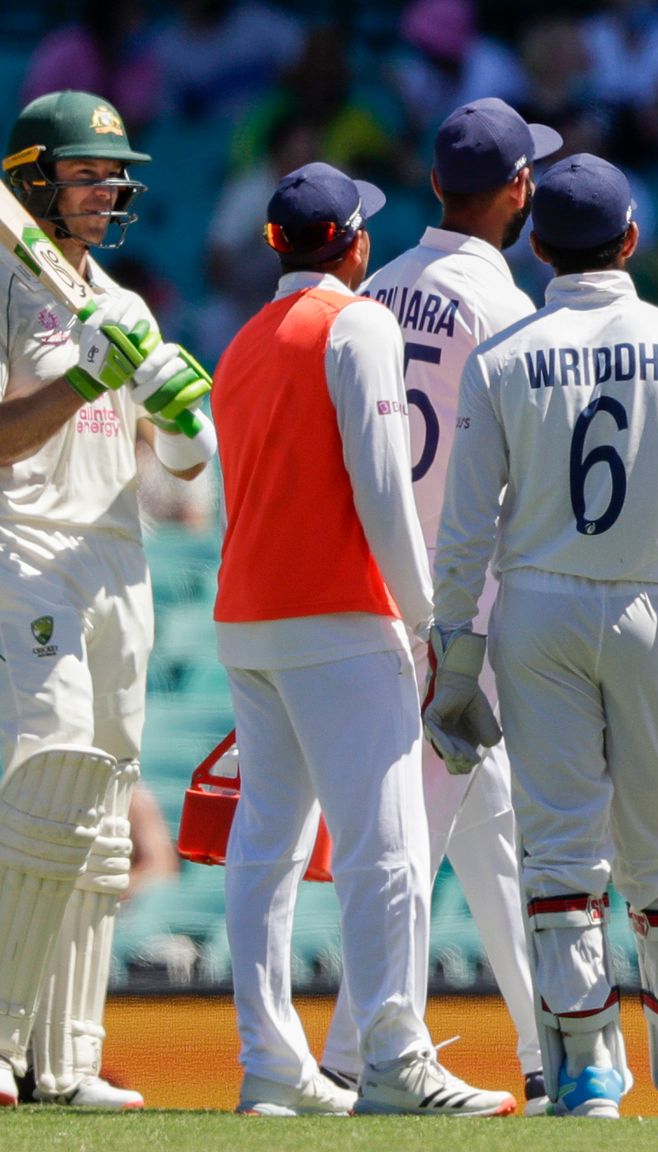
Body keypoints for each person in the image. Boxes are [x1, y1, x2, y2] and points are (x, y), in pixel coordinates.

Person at [430, 153, 658, 1120]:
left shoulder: (501, 359)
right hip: (655, 601)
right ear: (631, 240)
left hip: (535, 606)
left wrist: (457, 657)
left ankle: (583, 1072)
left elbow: (464, 530)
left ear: (537, 246)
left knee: (561, 850)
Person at [213, 161, 512, 1118]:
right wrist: (430, 626)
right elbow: (385, 486)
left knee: (265, 849)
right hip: (341, 616)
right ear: (355, 243)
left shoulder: (241, 343)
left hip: (248, 615)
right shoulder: (359, 322)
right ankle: (394, 1055)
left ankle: (270, 1062)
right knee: (385, 846)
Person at [318, 97, 562, 1114]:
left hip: (385, 580)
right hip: (471, 597)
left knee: (483, 828)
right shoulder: (503, 307)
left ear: (430, 187)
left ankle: (544, 1046)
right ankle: (353, 1051)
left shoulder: (370, 286)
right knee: (418, 830)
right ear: (518, 190)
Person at [0, 89, 214, 1111]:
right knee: (40, 780)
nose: (109, 189)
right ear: (35, 178)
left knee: (100, 814)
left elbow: (164, 454)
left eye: (114, 175)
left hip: (118, 558)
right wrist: (85, 380)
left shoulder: (124, 306)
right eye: (88, 172)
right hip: (25, 545)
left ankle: (65, 1058)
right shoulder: (3, 279)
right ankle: (0, 1039)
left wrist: (180, 424)